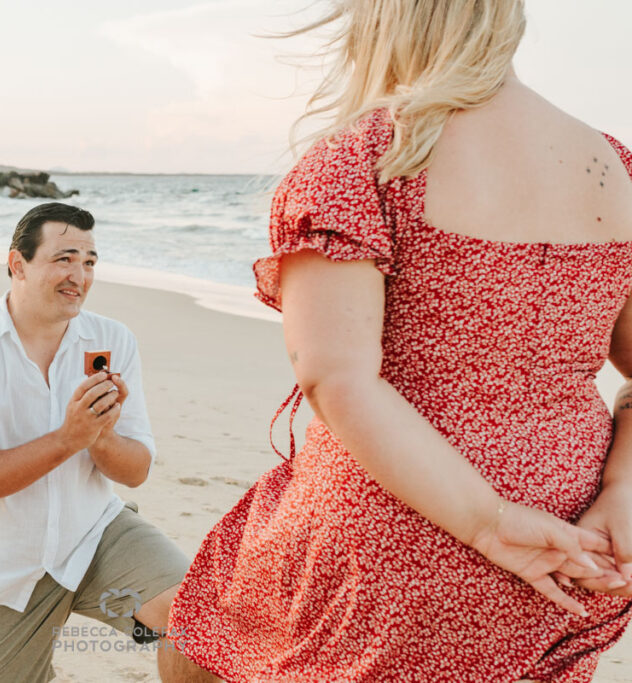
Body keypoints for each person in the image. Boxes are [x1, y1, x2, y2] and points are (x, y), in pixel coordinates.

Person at [160, 1, 632, 681]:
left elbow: (336, 378)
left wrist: (489, 522)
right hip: (572, 544)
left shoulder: (364, 158)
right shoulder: (615, 166)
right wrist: (621, 489)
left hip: (389, 540)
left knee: (201, 635)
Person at [0, 202, 189, 682]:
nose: (80, 276)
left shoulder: (112, 340)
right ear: (17, 265)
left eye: (89, 262)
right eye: (64, 258)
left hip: (92, 536)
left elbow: (136, 471)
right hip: (2, 570)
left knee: (203, 616)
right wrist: (69, 438)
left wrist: (102, 437)